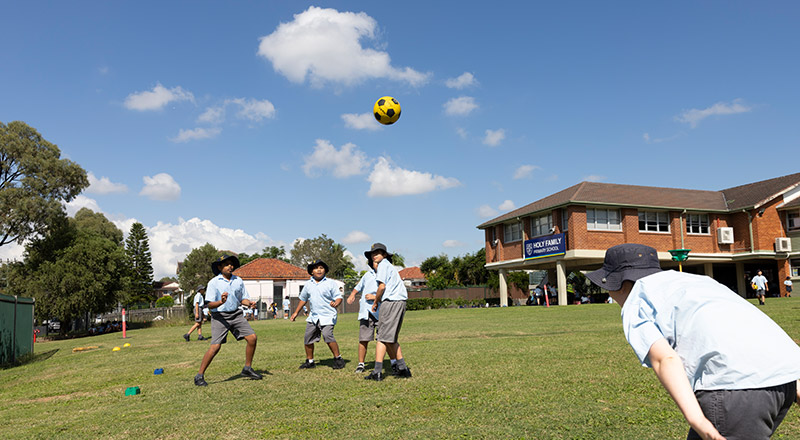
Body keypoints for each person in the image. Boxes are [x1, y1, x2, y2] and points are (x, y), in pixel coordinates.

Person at [587, 243, 800, 439]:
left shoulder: (637, 299)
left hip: (734, 388)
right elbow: (747, 324)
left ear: (622, 284)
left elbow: (664, 359)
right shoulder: (698, 282)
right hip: (784, 379)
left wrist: (697, 419)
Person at [194, 255, 262, 386]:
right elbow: (209, 304)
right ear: (219, 267)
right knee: (215, 347)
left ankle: (247, 368)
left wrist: (249, 304)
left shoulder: (238, 280)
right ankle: (199, 375)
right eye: (226, 264)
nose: (230, 266)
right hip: (220, 316)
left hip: (236, 314)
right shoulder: (214, 282)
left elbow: (242, 299)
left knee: (252, 338)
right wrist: (221, 301)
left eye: (231, 264)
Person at [364, 243, 412, 381]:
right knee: (391, 338)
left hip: (391, 302)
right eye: (373, 253)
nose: (375, 255)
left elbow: (382, 287)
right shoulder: (389, 267)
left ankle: (377, 372)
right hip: (399, 302)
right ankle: (403, 369)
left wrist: (375, 301)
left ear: (384, 255)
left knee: (382, 336)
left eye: (378, 252)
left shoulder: (383, 265)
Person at [346, 258, 402, 374]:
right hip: (366, 312)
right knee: (363, 339)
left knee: (386, 339)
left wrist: (375, 298)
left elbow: (389, 293)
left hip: (382, 312)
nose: (377, 264)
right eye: (375, 262)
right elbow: (358, 287)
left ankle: (393, 362)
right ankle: (361, 364)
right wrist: (352, 295)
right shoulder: (367, 275)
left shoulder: (388, 276)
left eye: (379, 263)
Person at [290, 260, 345, 370]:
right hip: (314, 317)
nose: (319, 270)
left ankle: (338, 359)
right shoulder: (308, 285)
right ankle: (310, 361)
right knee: (308, 338)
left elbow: (338, 297)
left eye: (321, 267)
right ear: (311, 272)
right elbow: (303, 299)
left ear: (325, 270)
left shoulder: (330, 283)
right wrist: (296, 312)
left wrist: (336, 303)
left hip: (328, 316)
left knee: (327, 336)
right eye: (315, 268)